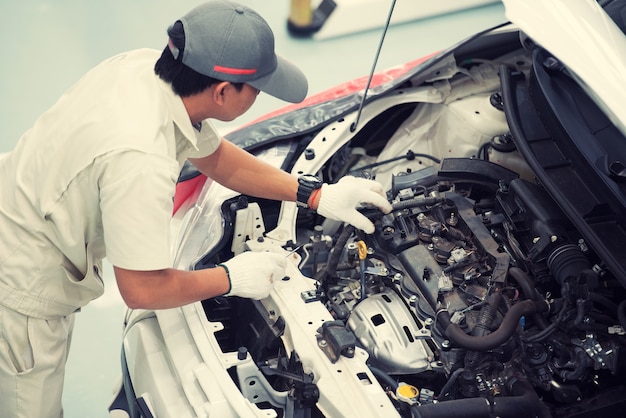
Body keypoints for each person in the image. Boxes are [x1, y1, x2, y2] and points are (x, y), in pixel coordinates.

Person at [0, 1, 392, 417]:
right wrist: (229, 277)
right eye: (257, 89)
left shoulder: (141, 67)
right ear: (223, 92)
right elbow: (141, 289)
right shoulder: (141, 157)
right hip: (21, 277)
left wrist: (315, 194)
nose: (260, 97)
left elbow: (217, 158)